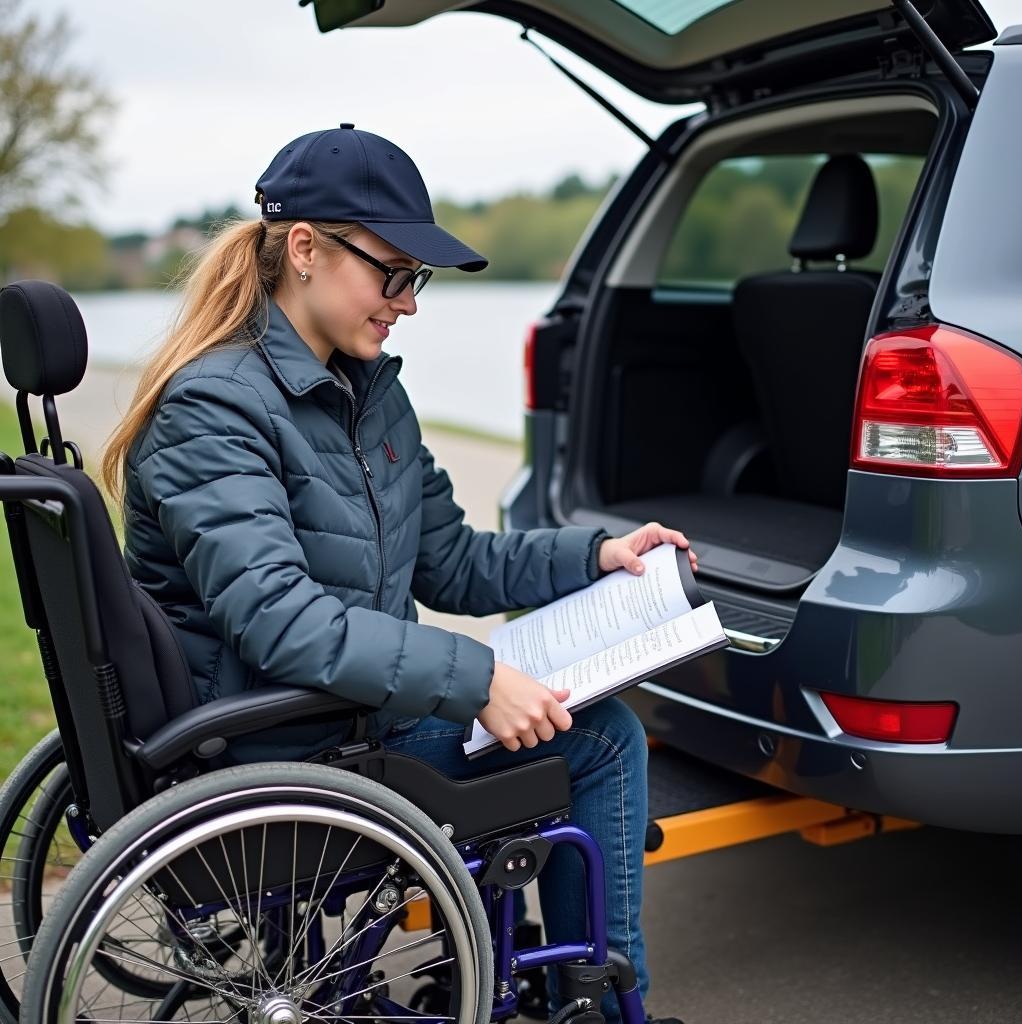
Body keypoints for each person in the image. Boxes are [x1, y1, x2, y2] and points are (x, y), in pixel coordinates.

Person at [101, 123, 697, 1022]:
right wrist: (478, 677)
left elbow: (450, 559)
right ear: (304, 249)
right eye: (394, 274)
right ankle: (606, 1011)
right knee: (603, 738)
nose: (408, 303)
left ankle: (543, 981)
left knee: (568, 720)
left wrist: (594, 557)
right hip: (281, 743)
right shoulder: (215, 408)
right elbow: (282, 621)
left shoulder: (368, 390)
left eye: (414, 281)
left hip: (335, 715)